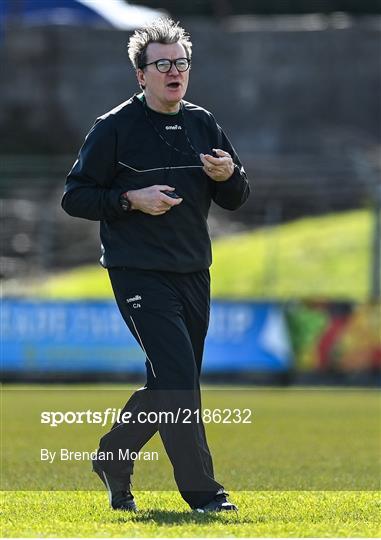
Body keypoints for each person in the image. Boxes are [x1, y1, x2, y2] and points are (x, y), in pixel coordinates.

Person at [62, 17, 250, 513]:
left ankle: (113, 455)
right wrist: (131, 200)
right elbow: (75, 197)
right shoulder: (113, 128)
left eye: (181, 63)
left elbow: (236, 196)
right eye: (162, 64)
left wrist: (231, 174)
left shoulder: (203, 122)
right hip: (137, 271)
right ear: (140, 75)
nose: (175, 72)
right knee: (180, 383)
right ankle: (204, 493)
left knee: (170, 385)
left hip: (194, 270)